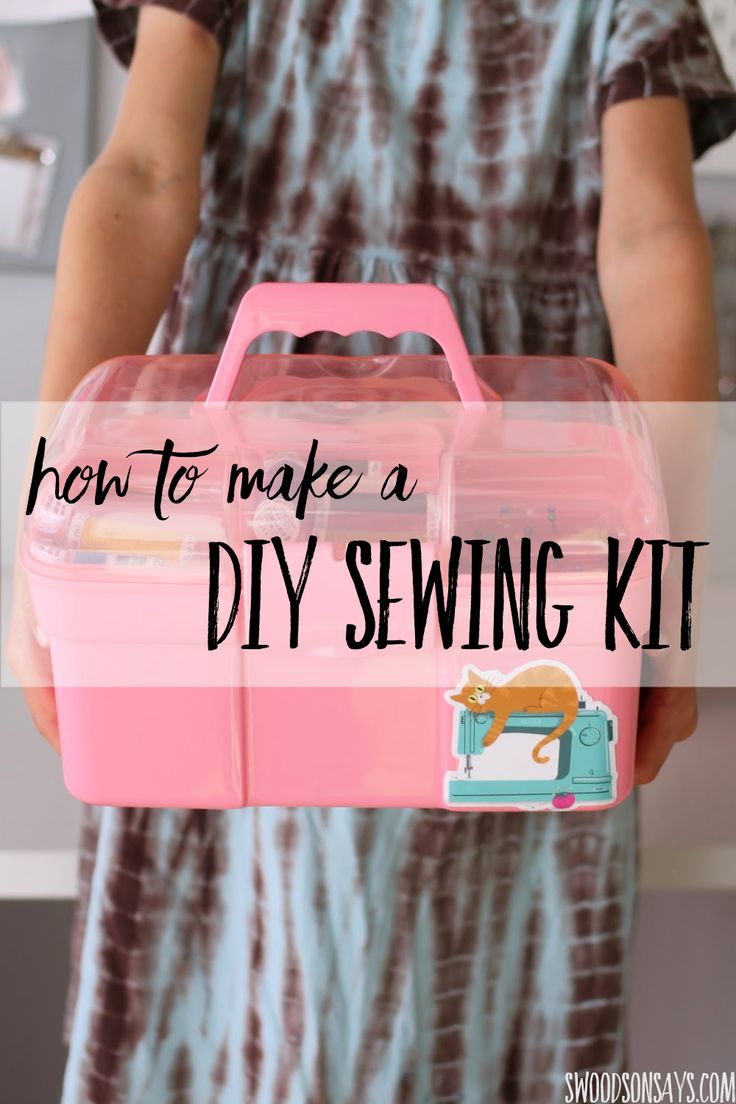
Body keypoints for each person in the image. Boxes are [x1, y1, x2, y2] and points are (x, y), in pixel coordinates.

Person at [7, 1, 736, 1101]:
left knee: (475, 983)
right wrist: (49, 513)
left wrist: (659, 588)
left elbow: (649, 239)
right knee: (220, 968)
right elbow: (143, 176)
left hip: (505, 524)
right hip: (231, 513)